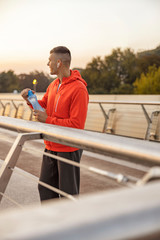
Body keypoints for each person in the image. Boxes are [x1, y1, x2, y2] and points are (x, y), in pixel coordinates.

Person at [21, 46, 89, 201]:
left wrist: (47, 120)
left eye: (50, 61)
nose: (47, 64)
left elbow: (76, 125)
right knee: (45, 189)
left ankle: (69, 225)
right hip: (50, 145)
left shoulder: (79, 89)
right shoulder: (53, 85)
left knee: (67, 196)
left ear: (59, 63)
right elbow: (43, 105)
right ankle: (51, 223)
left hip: (68, 148)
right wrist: (30, 100)